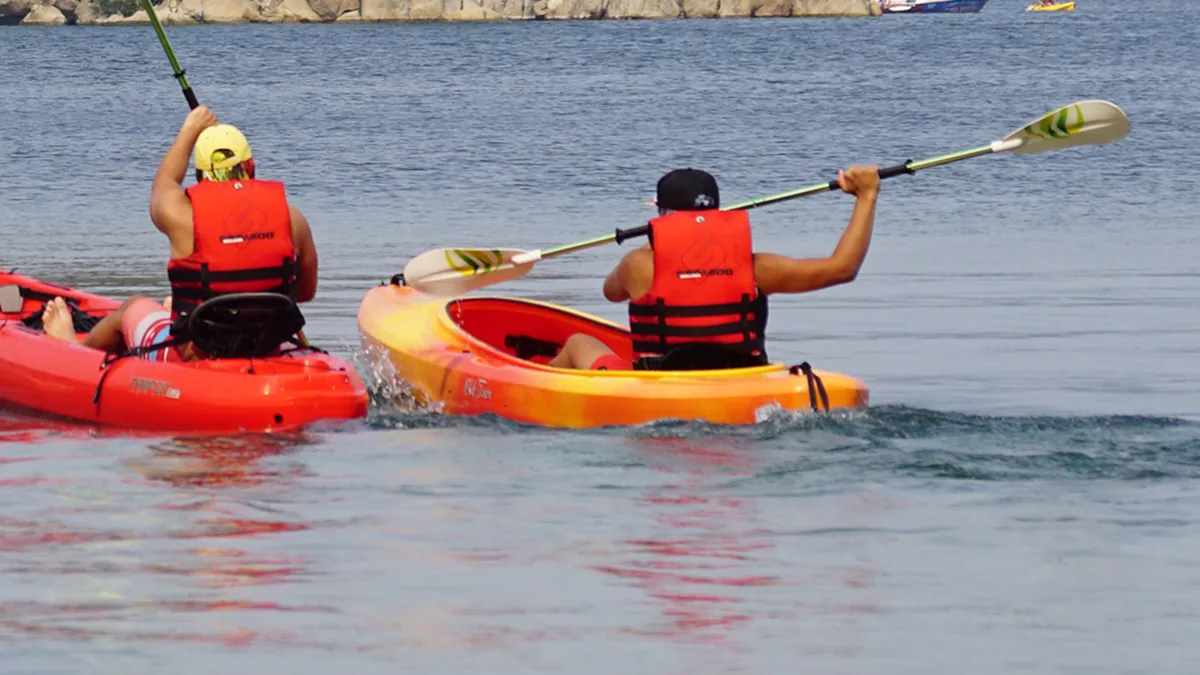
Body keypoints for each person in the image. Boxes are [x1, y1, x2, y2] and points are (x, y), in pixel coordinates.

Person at [42, 106, 319, 361]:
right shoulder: (293, 219)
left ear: (200, 177)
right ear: (251, 168)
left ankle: (74, 351)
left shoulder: (184, 216)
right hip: (266, 347)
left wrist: (189, 130)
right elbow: (305, 292)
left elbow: (163, 184)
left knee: (134, 307)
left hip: (195, 352)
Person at [546, 166, 879, 371]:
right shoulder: (757, 268)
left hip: (660, 384)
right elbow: (842, 269)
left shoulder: (638, 266)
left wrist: (659, 237)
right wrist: (866, 195)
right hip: (740, 379)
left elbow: (610, 293)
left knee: (578, 342)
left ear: (661, 214)